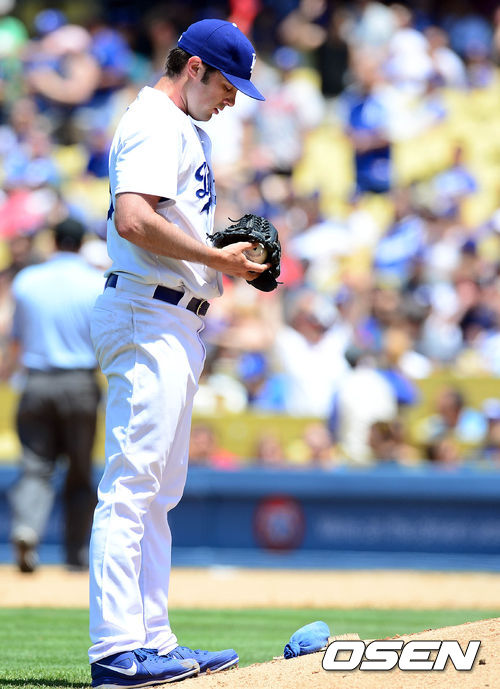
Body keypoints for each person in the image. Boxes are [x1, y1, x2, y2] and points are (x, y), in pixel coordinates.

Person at [88, 18, 268, 689]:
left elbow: (164, 222)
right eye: (226, 84)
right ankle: (116, 649)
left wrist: (219, 252)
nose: (231, 98)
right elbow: (134, 218)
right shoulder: (155, 120)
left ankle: (153, 640)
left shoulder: (183, 126)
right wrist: (216, 258)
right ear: (193, 67)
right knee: (132, 485)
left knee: (159, 492)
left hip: (173, 315)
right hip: (147, 310)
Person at [2, 217, 103, 573]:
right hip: (80, 382)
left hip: (37, 380)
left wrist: (8, 374)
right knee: (80, 472)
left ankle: (27, 529)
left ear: (54, 242)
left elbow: (15, 340)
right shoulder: (96, 283)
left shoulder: (28, 281)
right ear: (81, 244)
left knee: (35, 467)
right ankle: (76, 554)